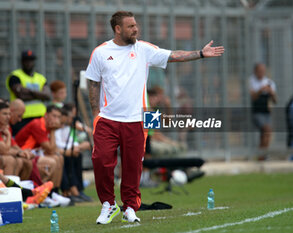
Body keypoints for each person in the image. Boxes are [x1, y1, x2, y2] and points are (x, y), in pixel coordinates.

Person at [86, 11, 224, 224]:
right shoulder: (101, 52)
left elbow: (173, 55)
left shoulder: (143, 49)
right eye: (130, 26)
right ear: (118, 29)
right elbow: (93, 83)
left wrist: (200, 53)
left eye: (136, 25)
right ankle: (108, 205)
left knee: (133, 166)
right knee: (101, 161)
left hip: (136, 120)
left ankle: (130, 207)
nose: (136, 29)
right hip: (108, 120)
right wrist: (96, 114)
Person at [15, 105, 71, 207]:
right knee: (52, 161)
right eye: (54, 116)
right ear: (46, 115)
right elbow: (50, 149)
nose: (56, 120)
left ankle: (54, 192)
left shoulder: (47, 127)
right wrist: (54, 131)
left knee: (59, 158)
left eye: (58, 117)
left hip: (32, 155)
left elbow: (52, 150)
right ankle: (46, 194)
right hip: (22, 154)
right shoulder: (38, 124)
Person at [5, 50, 51, 136]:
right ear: (22, 61)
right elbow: (21, 95)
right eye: (26, 60)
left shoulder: (40, 77)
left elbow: (47, 95)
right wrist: (39, 94)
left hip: (40, 117)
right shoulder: (15, 76)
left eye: (31, 60)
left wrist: (29, 91)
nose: (29, 63)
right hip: (22, 118)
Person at [0, 100, 33, 179]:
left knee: (27, 161)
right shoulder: (5, 129)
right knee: (11, 160)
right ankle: (8, 189)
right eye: (5, 114)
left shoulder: (5, 127)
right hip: (5, 156)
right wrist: (8, 135)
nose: (8, 116)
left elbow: (13, 145)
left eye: (9, 114)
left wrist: (23, 152)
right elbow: (4, 150)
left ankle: (20, 189)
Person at [249, 63, 277, 153]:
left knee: (266, 134)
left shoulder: (269, 82)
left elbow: (275, 100)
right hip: (257, 112)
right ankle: (261, 155)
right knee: (266, 130)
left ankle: (262, 155)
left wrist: (271, 92)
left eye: (263, 71)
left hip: (266, 112)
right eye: (259, 71)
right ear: (255, 71)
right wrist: (261, 90)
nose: (261, 73)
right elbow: (253, 97)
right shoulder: (252, 81)